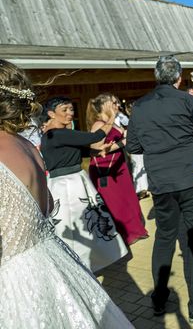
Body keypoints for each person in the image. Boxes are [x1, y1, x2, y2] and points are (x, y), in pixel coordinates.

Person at [0, 59, 133, 328]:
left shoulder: (45, 137)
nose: (70, 113)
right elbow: (45, 207)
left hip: (17, 280)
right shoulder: (27, 144)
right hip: (52, 260)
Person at [126, 56, 193, 323]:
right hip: (191, 177)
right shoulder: (187, 100)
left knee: (164, 237)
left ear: (156, 77)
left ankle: (159, 299)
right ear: (179, 78)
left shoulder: (139, 107)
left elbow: (133, 146)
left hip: (161, 182)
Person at [40, 96, 128, 273]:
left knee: (79, 223)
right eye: (64, 110)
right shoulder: (58, 133)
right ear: (51, 113)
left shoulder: (55, 134)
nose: (70, 113)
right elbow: (96, 136)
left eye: (71, 109)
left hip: (69, 181)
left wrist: (102, 149)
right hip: (68, 184)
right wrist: (111, 117)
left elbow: (82, 151)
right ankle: (78, 262)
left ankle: (84, 261)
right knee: (76, 222)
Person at [86, 94, 148, 246]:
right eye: (113, 102)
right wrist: (123, 142)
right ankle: (123, 234)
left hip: (119, 166)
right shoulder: (98, 124)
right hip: (106, 169)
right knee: (116, 202)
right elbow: (96, 148)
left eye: (117, 102)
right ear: (104, 105)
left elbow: (121, 138)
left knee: (127, 199)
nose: (117, 104)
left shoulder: (112, 122)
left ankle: (134, 230)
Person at [124, 100, 149, 199]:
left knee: (139, 167)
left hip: (139, 148)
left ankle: (141, 188)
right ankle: (140, 188)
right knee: (137, 167)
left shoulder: (134, 121)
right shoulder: (135, 120)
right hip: (137, 148)